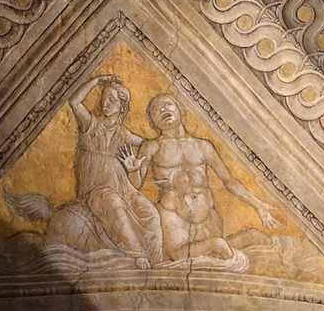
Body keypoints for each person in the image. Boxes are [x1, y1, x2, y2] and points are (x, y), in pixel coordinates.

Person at [122, 93, 278, 261]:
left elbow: (229, 181)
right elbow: (134, 186)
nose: (163, 110)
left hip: (207, 218)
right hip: (174, 220)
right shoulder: (151, 147)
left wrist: (258, 205)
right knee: (215, 246)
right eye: (156, 110)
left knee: (254, 236)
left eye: (168, 104)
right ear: (153, 120)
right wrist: (133, 171)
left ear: (179, 109)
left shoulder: (203, 146)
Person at [28, 74, 162, 268]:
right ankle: (137, 253)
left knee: (150, 211)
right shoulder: (91, 124)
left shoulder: (123, 133)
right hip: (96, 190)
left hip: (124, 189)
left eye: (112, 100)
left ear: (122, 107)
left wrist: (139, 165)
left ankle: (157, 261)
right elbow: (75, 102)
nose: (105, 103)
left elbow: (149, 144)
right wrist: (97, 80)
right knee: (113, 203)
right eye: (104, 98)